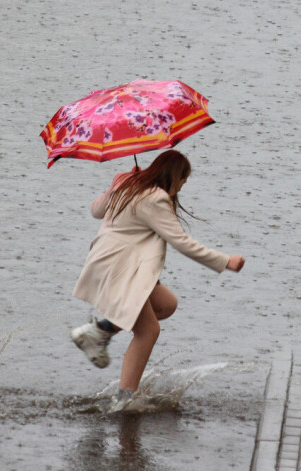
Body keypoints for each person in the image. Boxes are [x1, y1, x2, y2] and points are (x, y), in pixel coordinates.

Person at [70, 150, 245, 410]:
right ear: (174, 177)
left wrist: (119, 183)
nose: (181, 188)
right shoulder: (155, 198)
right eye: (182, 182)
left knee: (166, 304)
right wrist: (224, 261)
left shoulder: (129, 184)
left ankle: (100, 330)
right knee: (148, 331)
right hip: (120, 268)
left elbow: (96, 210)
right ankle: (125, 400)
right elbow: (181, 242)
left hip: (110, 262)